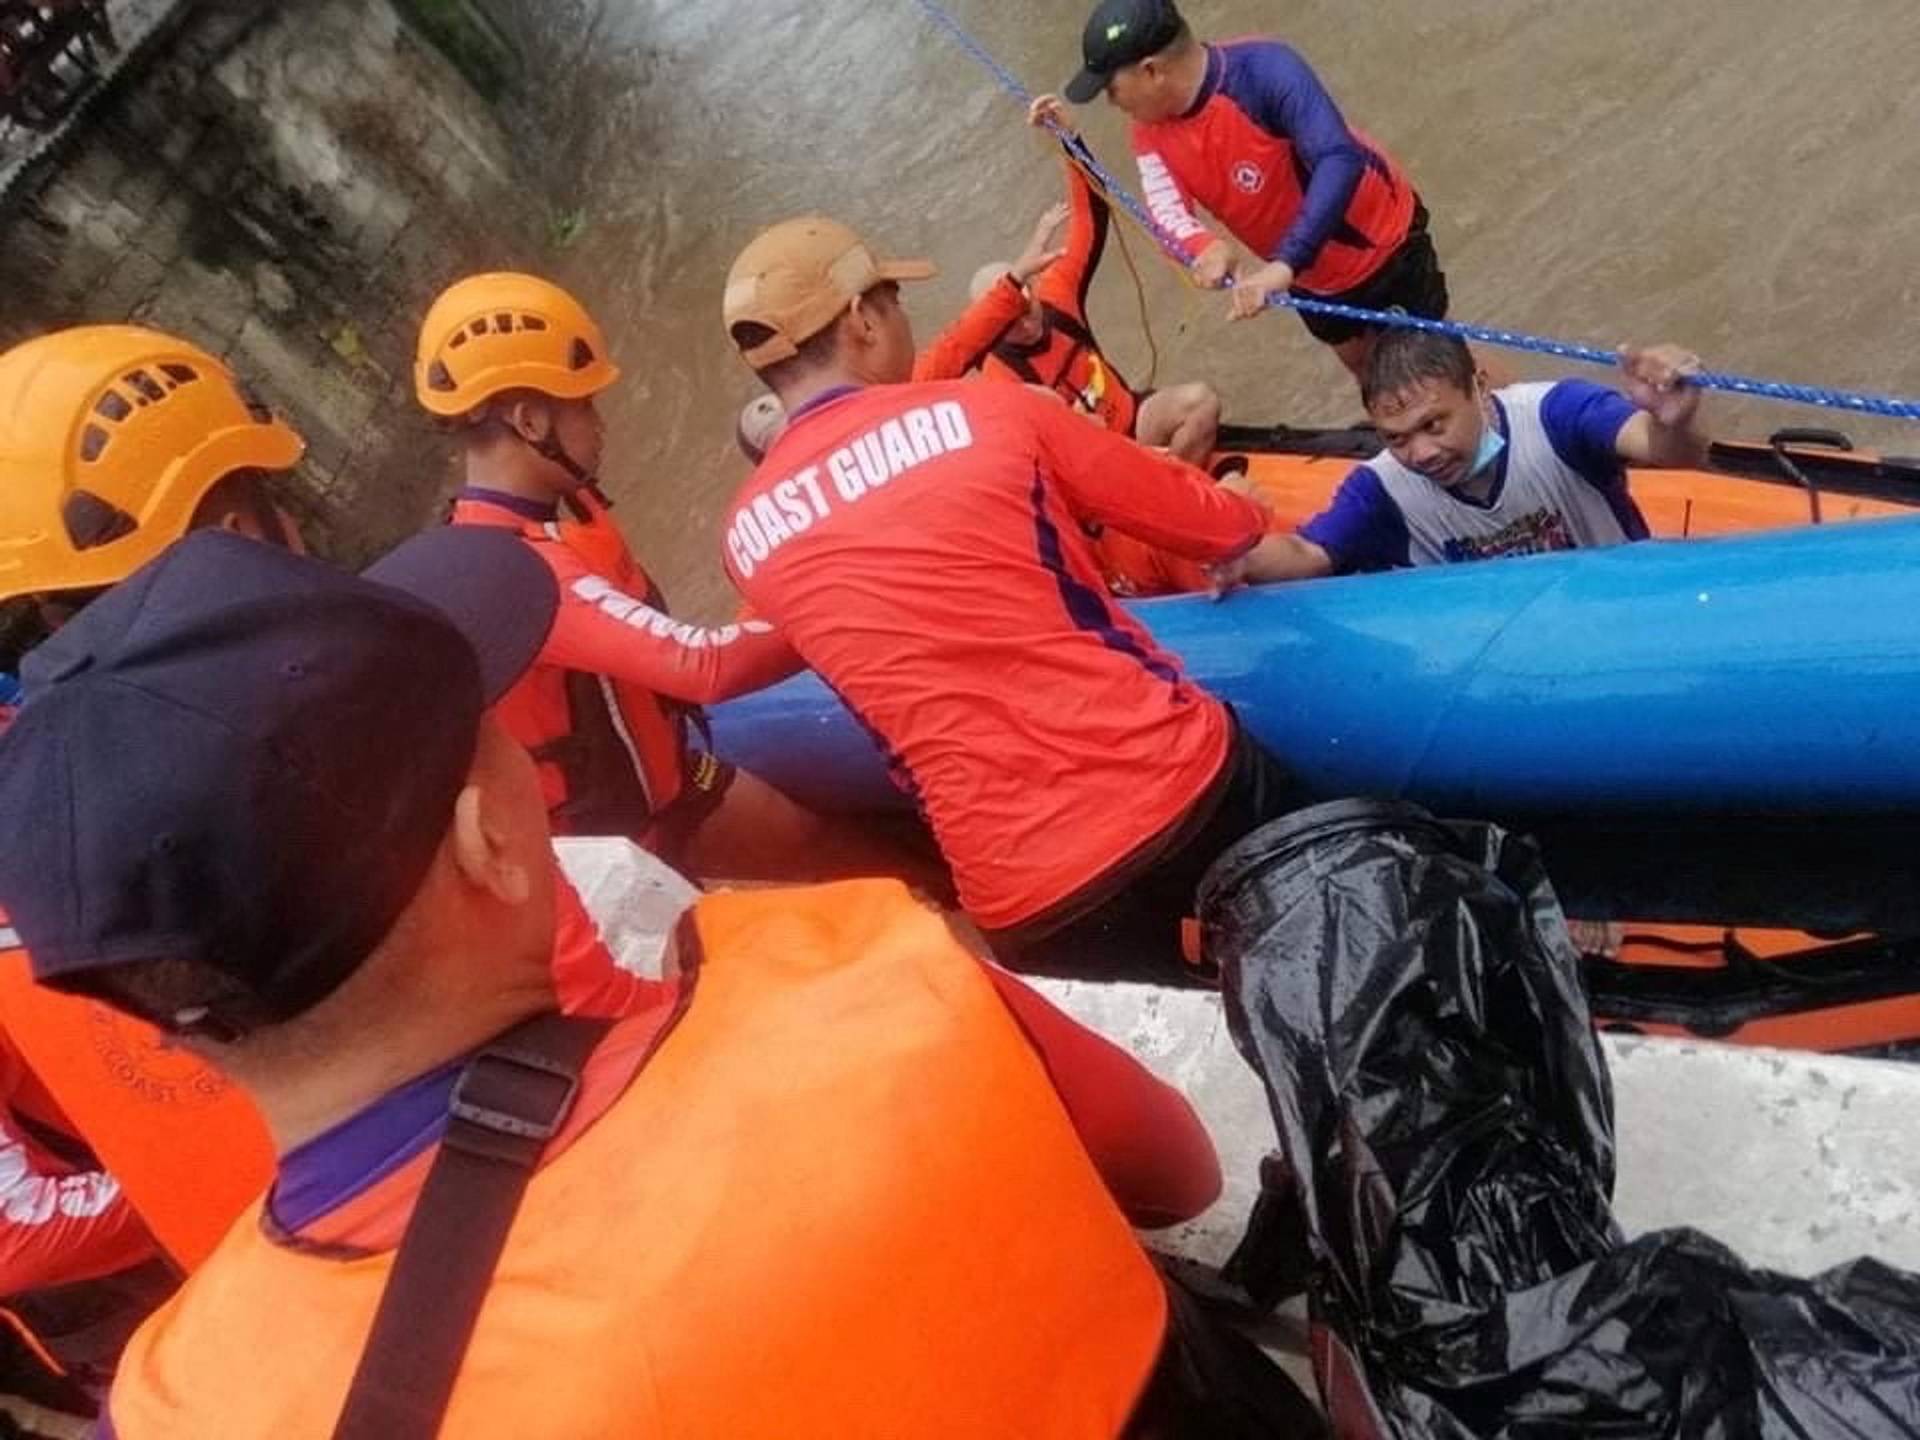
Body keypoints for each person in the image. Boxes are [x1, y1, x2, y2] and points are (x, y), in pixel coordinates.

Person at [0, 529, 1317, 1438]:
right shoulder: (858, 979)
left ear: (162, 1026)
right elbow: (1180, 1172)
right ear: (491, 842)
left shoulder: (182, 1402)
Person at [0, 325, 645, 1296]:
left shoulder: (54, 824)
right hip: (566, 1185)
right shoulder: (354, 720)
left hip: (289, 1285)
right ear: (239, 527)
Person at [720, 215, 1315, 981]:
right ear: (863, 321)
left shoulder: (745, 537)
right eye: (894, 300)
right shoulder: (988, 411)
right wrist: (1239, 506)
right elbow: (1204, 521)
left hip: (1020, 902)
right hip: (1171, 794)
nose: (903, 317)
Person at [419, 272, 946, 889]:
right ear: (532, 422)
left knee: (875, 862)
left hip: (673, 777)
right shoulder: (521, 575)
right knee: (883, 884)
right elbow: (703, 666)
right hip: (621, 848)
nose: (600, 423)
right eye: (584, 406)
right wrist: (841, 591)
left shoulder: (554, 516)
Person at [1055, 0, 1446, 378]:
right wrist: (1202, 247)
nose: (1111, 102)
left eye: (1111, 88)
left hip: (1377, 241)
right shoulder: (1147, 130)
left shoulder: (1265, 69)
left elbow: (1338, 158)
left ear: (1151, 71)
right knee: (1369, 373)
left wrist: (1285, 263)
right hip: (1306, 277)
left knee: (1435, 369)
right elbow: (1166, 212)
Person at [1248, 329, 1709, 577]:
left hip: (1624, 611)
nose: (1421, 453)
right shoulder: (1380, 488)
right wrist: (1232, 549)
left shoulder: (1556, 413)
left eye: (1434, 425)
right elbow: (1307, 554)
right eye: (1396, 437)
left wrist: (1676, 420)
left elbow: (1662, 449)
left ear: (1480, 388)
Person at [916, 120, 1220, 466]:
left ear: (1030, 287)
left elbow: (1090, 217)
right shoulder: (999, 379)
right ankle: (1161, 489)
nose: (1027, 324)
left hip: (1132, 422)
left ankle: (1177, 483)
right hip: (1090, 467)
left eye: (1026, 308)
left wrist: (1068, 138)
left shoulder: (1057, 296)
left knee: (1201, 402)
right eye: (1010, 323)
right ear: (991, 324)